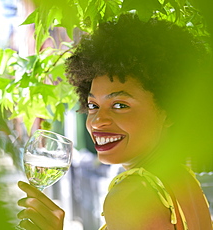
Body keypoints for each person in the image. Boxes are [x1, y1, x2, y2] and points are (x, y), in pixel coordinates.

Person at [16, 14, 213, 230]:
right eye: (92, 106)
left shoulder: (130, 198)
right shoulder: (184, 180)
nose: (98, 121)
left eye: (120, 105)